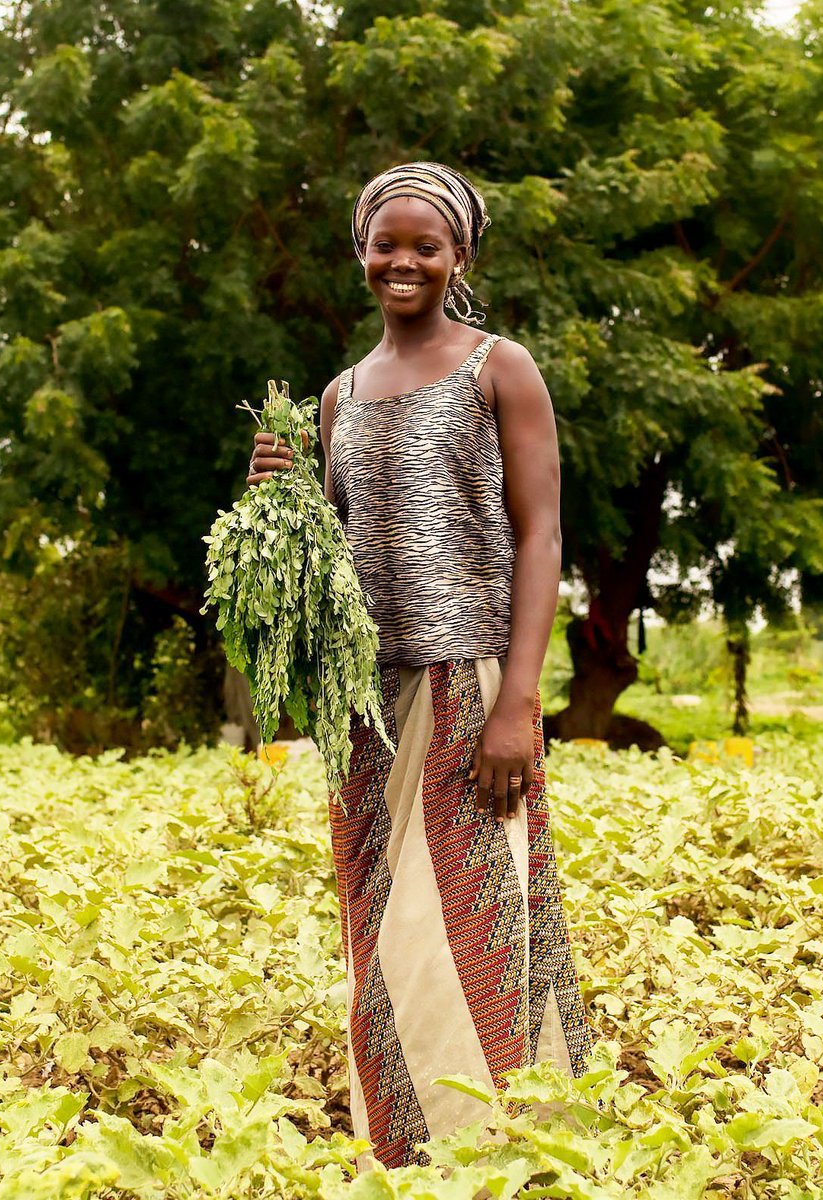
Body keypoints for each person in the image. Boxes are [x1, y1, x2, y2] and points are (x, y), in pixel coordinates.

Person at [248, 162, 590, 1169]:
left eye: (424, 246)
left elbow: (542, 539)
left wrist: (518, 702)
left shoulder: (499, 367)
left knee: (481, 926)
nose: (403, 262)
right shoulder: (340, 393)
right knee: (383, 944)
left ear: (459, 257)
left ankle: (495, 1157)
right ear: (362, 252)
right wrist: (278, 493)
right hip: (367, 705)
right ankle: (398, 1158)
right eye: (385, 244)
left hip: (468, 687)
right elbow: (333, 553)